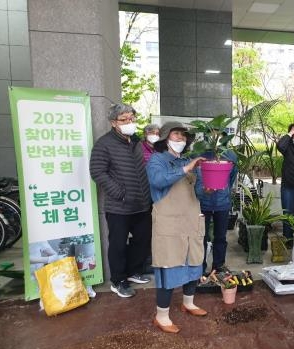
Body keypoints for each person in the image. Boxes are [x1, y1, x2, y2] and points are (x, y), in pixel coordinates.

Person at [146, 121, 207, 334]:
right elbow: (158, 181)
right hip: (169, 223)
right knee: (169, 267)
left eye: (183, 135)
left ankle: (188, 303)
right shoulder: (157, 160)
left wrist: (206, 185)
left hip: (191, 220)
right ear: (164, 139)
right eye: (175, 135)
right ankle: (161, 316)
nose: (180, 138)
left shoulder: (189, 160)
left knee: (194, 262)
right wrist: (186, 168)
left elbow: (196, 190)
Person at [89, 103, 151, 298]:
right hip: (119, 206)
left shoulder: (136, 142)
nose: (129, 122)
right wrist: (119, 192)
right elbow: (97, 172)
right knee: (117, 244)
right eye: (124, 120)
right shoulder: (104, 144)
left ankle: (133, 271)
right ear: (113, 122)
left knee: (142, 240)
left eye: (131, 119)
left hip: (141, 204)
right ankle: (118, 280)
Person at [195, 132, 238, 274]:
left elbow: (231, 177)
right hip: (202, 202)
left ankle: (218, 265)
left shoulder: (230, 155)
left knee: (220, 236)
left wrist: (222, 188)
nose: (215, 138)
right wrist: (201, 191)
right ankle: (200, 267)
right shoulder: (199, 154)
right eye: (212, 135)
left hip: (222, 202)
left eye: (219, 135)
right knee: (202, 236)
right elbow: (194, 178)